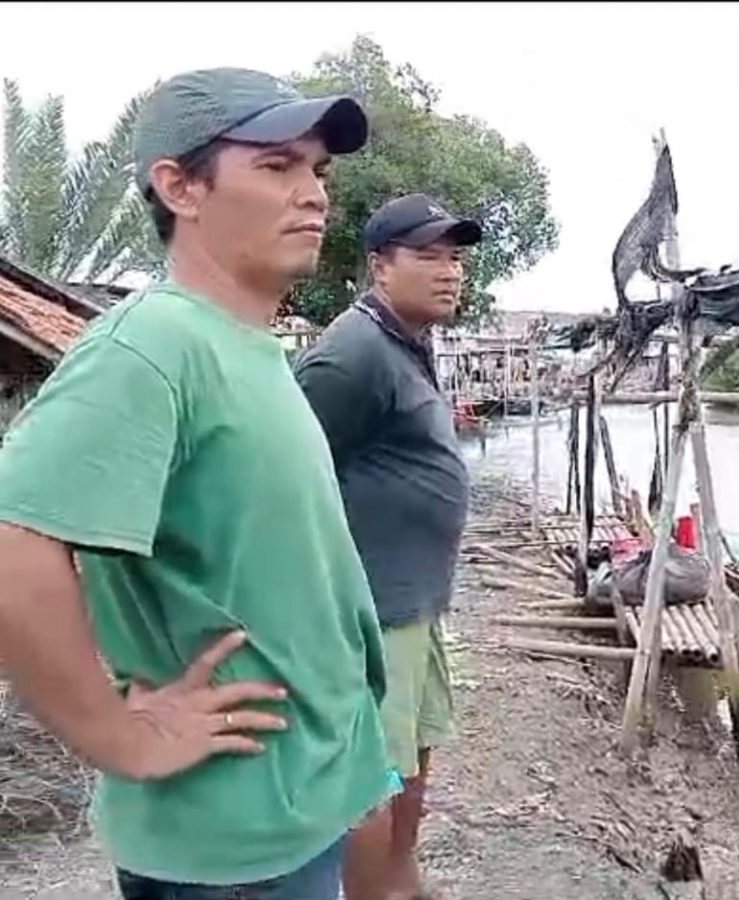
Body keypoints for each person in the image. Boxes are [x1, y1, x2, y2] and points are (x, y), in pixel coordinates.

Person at [0, 68, 394, 897]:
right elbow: (14, 544)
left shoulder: (243, 346)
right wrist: (115, 735)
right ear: (180, 187)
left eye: (318, 170)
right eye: (277, 165)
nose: (314, 194)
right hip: (230, 845)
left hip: (294, 807)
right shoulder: (152, 346)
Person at [292, 193, 481, 900]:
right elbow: (286, 480)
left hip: (415, 605)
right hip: (370, 612)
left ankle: (403, 884)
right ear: (379, 266)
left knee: (413, 755)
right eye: (427, 255)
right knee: (371, 776)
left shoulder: (406, 341)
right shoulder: (351, 356)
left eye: (455, 257)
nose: (450, 271)